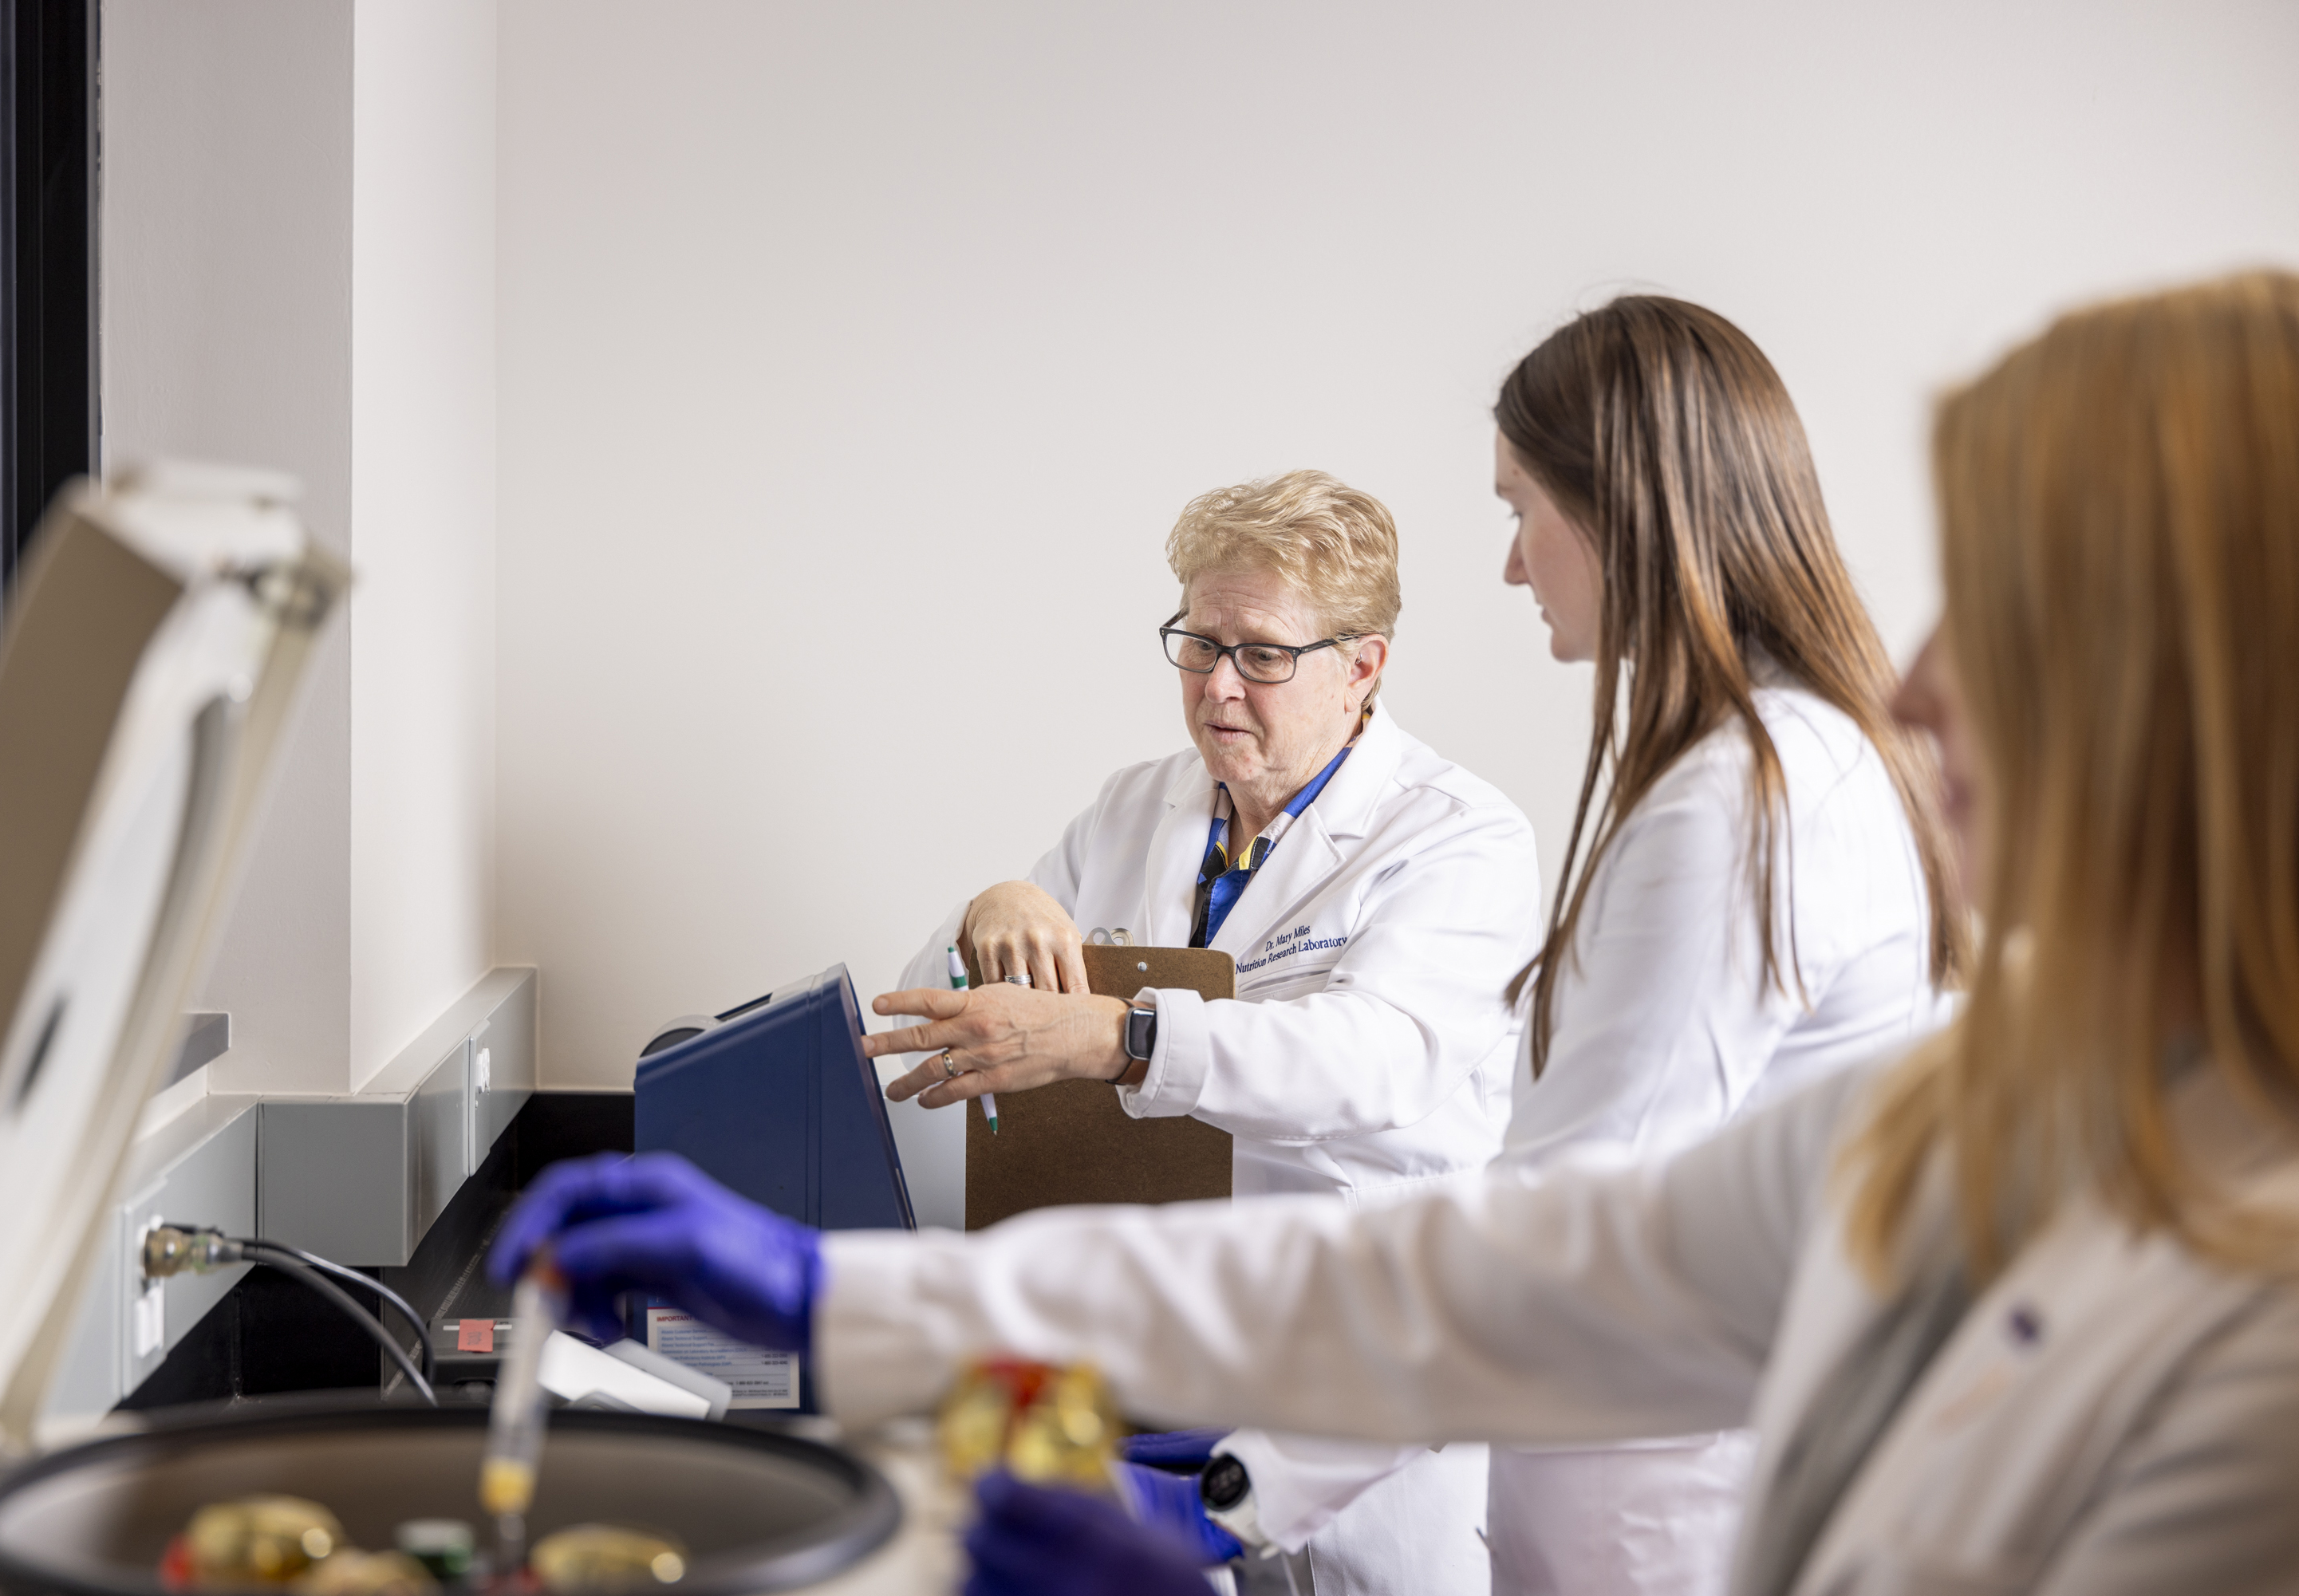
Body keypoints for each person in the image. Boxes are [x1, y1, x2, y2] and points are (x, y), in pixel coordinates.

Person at [497, 270, 2299, 1594]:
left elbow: (1489, 1197)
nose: (1913, 676)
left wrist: (1219, 1489)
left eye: (2011, 602)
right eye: (1195, 643)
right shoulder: (2010, 1098)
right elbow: (1514, 1259)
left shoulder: (1711, 806)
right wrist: (869, 1302)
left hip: (1523, 1499)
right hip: (1387, 1432)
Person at [864, 468, 1544, 1593]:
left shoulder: (1455, 838)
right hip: (1152, 1381)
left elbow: (1378, 1060)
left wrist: (1119, 1037)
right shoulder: (1138, 808)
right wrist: (993, 909)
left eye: (1264, 653)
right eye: (1198, 642)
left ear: (1363, 663)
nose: (1221, 685)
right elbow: (937, 1025)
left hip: (1353, 1407)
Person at [1477, 299, 1963, 1594]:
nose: (1513, 566)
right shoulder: (1775, 759)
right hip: (1651, 1471)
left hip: (1667, 1503)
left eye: (1520, 508)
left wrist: (1248, 1473)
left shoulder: (1753, 790)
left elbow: (1564, 1203)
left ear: (1620, 506)